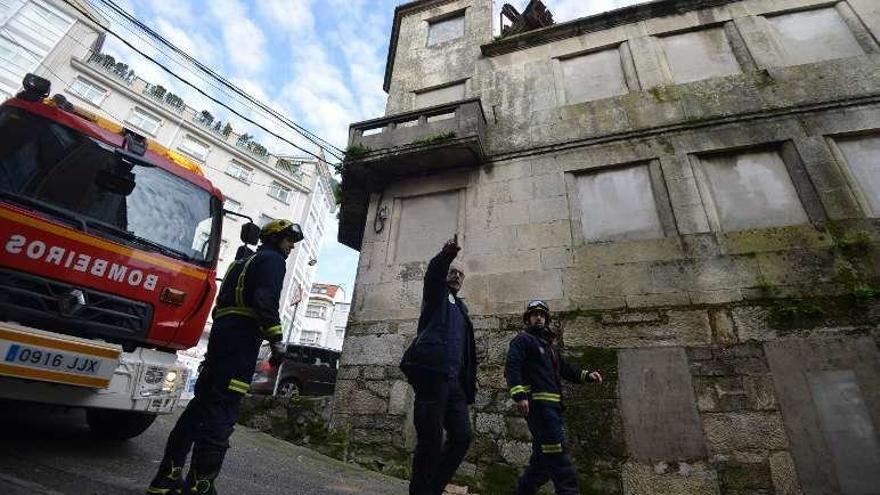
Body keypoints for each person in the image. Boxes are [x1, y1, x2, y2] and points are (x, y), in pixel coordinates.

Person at [147, 219, 304, 495]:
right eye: (288, 240)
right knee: (222, 412)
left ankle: (166, 478)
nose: (291, 246)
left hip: (221, 340)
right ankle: (200, 485)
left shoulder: (240, 263)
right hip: (241, 344)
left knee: (200, 407)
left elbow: (221, 306)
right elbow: (265, 300)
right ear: (275, 238)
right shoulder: (273, 261)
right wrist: (277, 341)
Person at [399, 235, 476, 495]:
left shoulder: (462, 309)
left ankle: (432, 489)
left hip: (454, 382)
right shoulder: (436, 295)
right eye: (453, 272)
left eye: (460, 275)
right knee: (430, 441)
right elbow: (433, 275)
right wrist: (446, 256)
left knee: (462, 437)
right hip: (432, 375)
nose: (456, 276)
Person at [505, 300, 603, 495]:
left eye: (542, 314)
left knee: (540, 464)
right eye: (534, 314)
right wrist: (520, 395)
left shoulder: (548, 346)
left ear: (546, 319)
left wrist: (586, 375)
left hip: (553, 409)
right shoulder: (522, 340)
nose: (539, 317)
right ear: (528, 319)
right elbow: (512, 367)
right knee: (559, 459)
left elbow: (564, 369)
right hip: (540, 409)